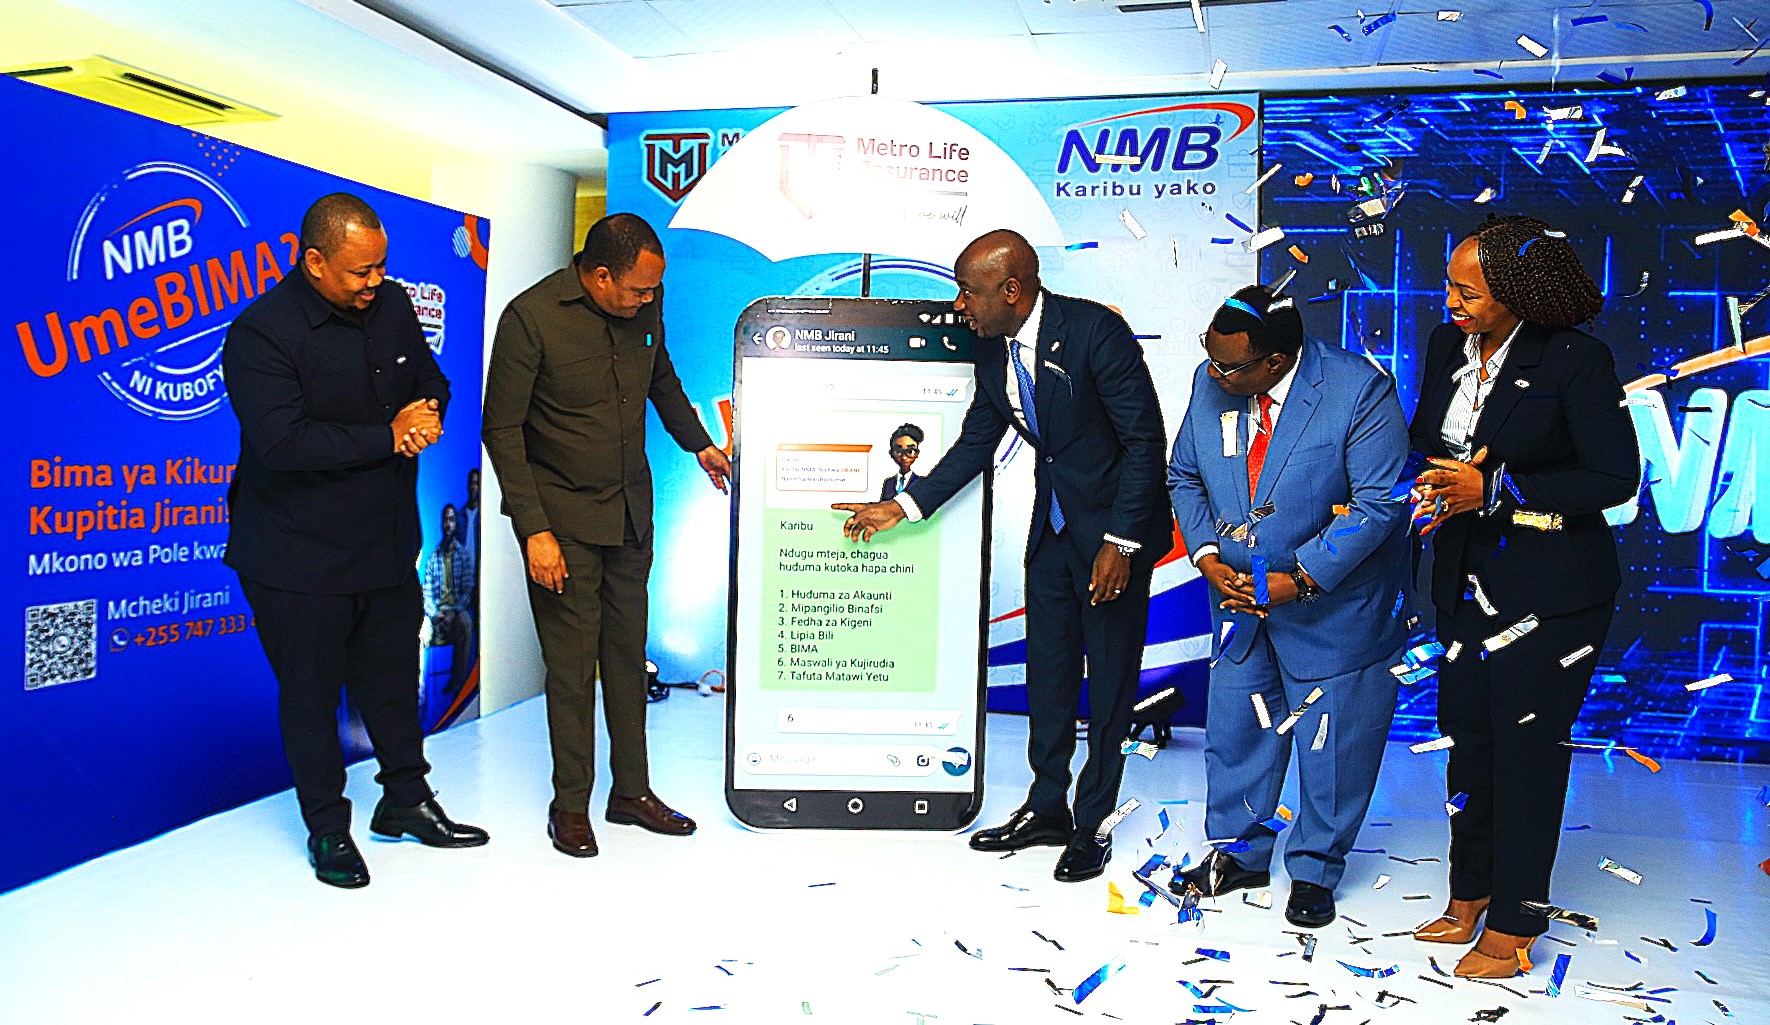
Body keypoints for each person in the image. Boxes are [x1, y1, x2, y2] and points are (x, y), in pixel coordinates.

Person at [834, 229, 1171, 883]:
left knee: (1108, 687)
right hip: (1052, 534)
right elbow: (975, 442)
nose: (960, 304)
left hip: (1114, 541)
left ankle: (1092, 823)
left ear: (1011, 289)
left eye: (969, 291)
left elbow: (1144, 441)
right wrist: (902, 506)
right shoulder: (992, 349)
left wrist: (1121, 543)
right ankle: (1047, 808)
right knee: (1049, 676)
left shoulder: (1097, 333)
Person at [224, 193, 488, 890]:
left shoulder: (393, 304)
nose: (375, 282)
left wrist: (428, 412)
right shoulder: (261, 334)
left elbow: (430, 378)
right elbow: (282, 444)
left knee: (394, 681)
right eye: (360, 271)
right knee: (311, 697)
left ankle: (406, 801)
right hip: (296, 554)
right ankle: (327, 827)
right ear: (314, 261)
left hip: (385, 540)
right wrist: (388, 436)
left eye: (381, 267)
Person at [1407, 215, 1638, 978]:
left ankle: (1515, 921)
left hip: (1551, 592)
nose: (1450, 302)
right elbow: (1429, 439)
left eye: (1467, 291)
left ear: (1516, 292)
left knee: (1527, 753)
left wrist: (1497, 488)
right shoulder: (1447, 346)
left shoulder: (1576, 360)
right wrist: (1431, 481)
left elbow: (1614, 478)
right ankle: (1470, 891)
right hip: (1463, 580)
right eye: (1449, 286)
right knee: (1468, 740)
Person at [482, 212, 731, 859]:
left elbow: (661, 378)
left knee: (625, 657)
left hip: (629, 516)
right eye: (638, 290)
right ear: (598, 276)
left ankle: (632, 793)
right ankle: (570, 805)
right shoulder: (531, 318)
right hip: (562, 525)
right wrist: (534, 531)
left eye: (653, 290)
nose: (648, 300)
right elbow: (501, 430)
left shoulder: (646, 303)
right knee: (571, 669)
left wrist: (699, 444)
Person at [1166, 285, 1410, 928]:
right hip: (1238, 603)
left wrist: (1299, 579)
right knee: (1237, 734)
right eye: (1209, 359)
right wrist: (1207, 556)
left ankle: (1315, 870)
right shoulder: (1214, 381)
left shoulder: (1359, 390)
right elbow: (1185, 475)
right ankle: (1238, 854)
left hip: (1333, 609)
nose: (1214, 375)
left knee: (1332, 749)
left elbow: (1378, 503)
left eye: (1228, 366)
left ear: (1275, 362)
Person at [421, 502, 476, 698]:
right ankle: (419, 691)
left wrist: (455, 611)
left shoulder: (463, 555)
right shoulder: (433, 557)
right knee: (420, 631)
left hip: (456, 612)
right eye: (445, 520)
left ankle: (458, 683)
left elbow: (468, 589)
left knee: (466, 623)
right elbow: (427, 592)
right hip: (438, 615)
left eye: (451, 520)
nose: (448, 524)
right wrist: (435, 614)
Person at [878, 423, 923, 501]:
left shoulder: (920, 483)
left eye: (910, 451)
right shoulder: (888, 483)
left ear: (917, 453)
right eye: (898, 452)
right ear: (891, 453)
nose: (904, 457)